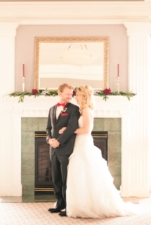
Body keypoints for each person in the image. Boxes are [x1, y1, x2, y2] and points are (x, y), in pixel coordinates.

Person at [59, 85, 138, 218]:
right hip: (79, 143)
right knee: (79, 173)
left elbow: (86, 130)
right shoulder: (82, 110)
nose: (75, 97)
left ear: (84, 96)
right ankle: (79, 205)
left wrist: (68, 130)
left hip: (84, 144)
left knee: (84, 171)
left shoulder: (87, 111)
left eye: (77, 95)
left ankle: (89, 205)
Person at [46, 83, 80, 216]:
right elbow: (48, 128)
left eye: (71, 94)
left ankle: (68, 205)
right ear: (60, 93)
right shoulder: (52, 109)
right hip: (53, 149)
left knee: (66, 178)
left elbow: (71, 128)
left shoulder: (74, 109)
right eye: (67, 94)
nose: (70, 97)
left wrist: (58, 141)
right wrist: (49, 140)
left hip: (65, 148)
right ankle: (59, 202)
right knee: (56, 177)